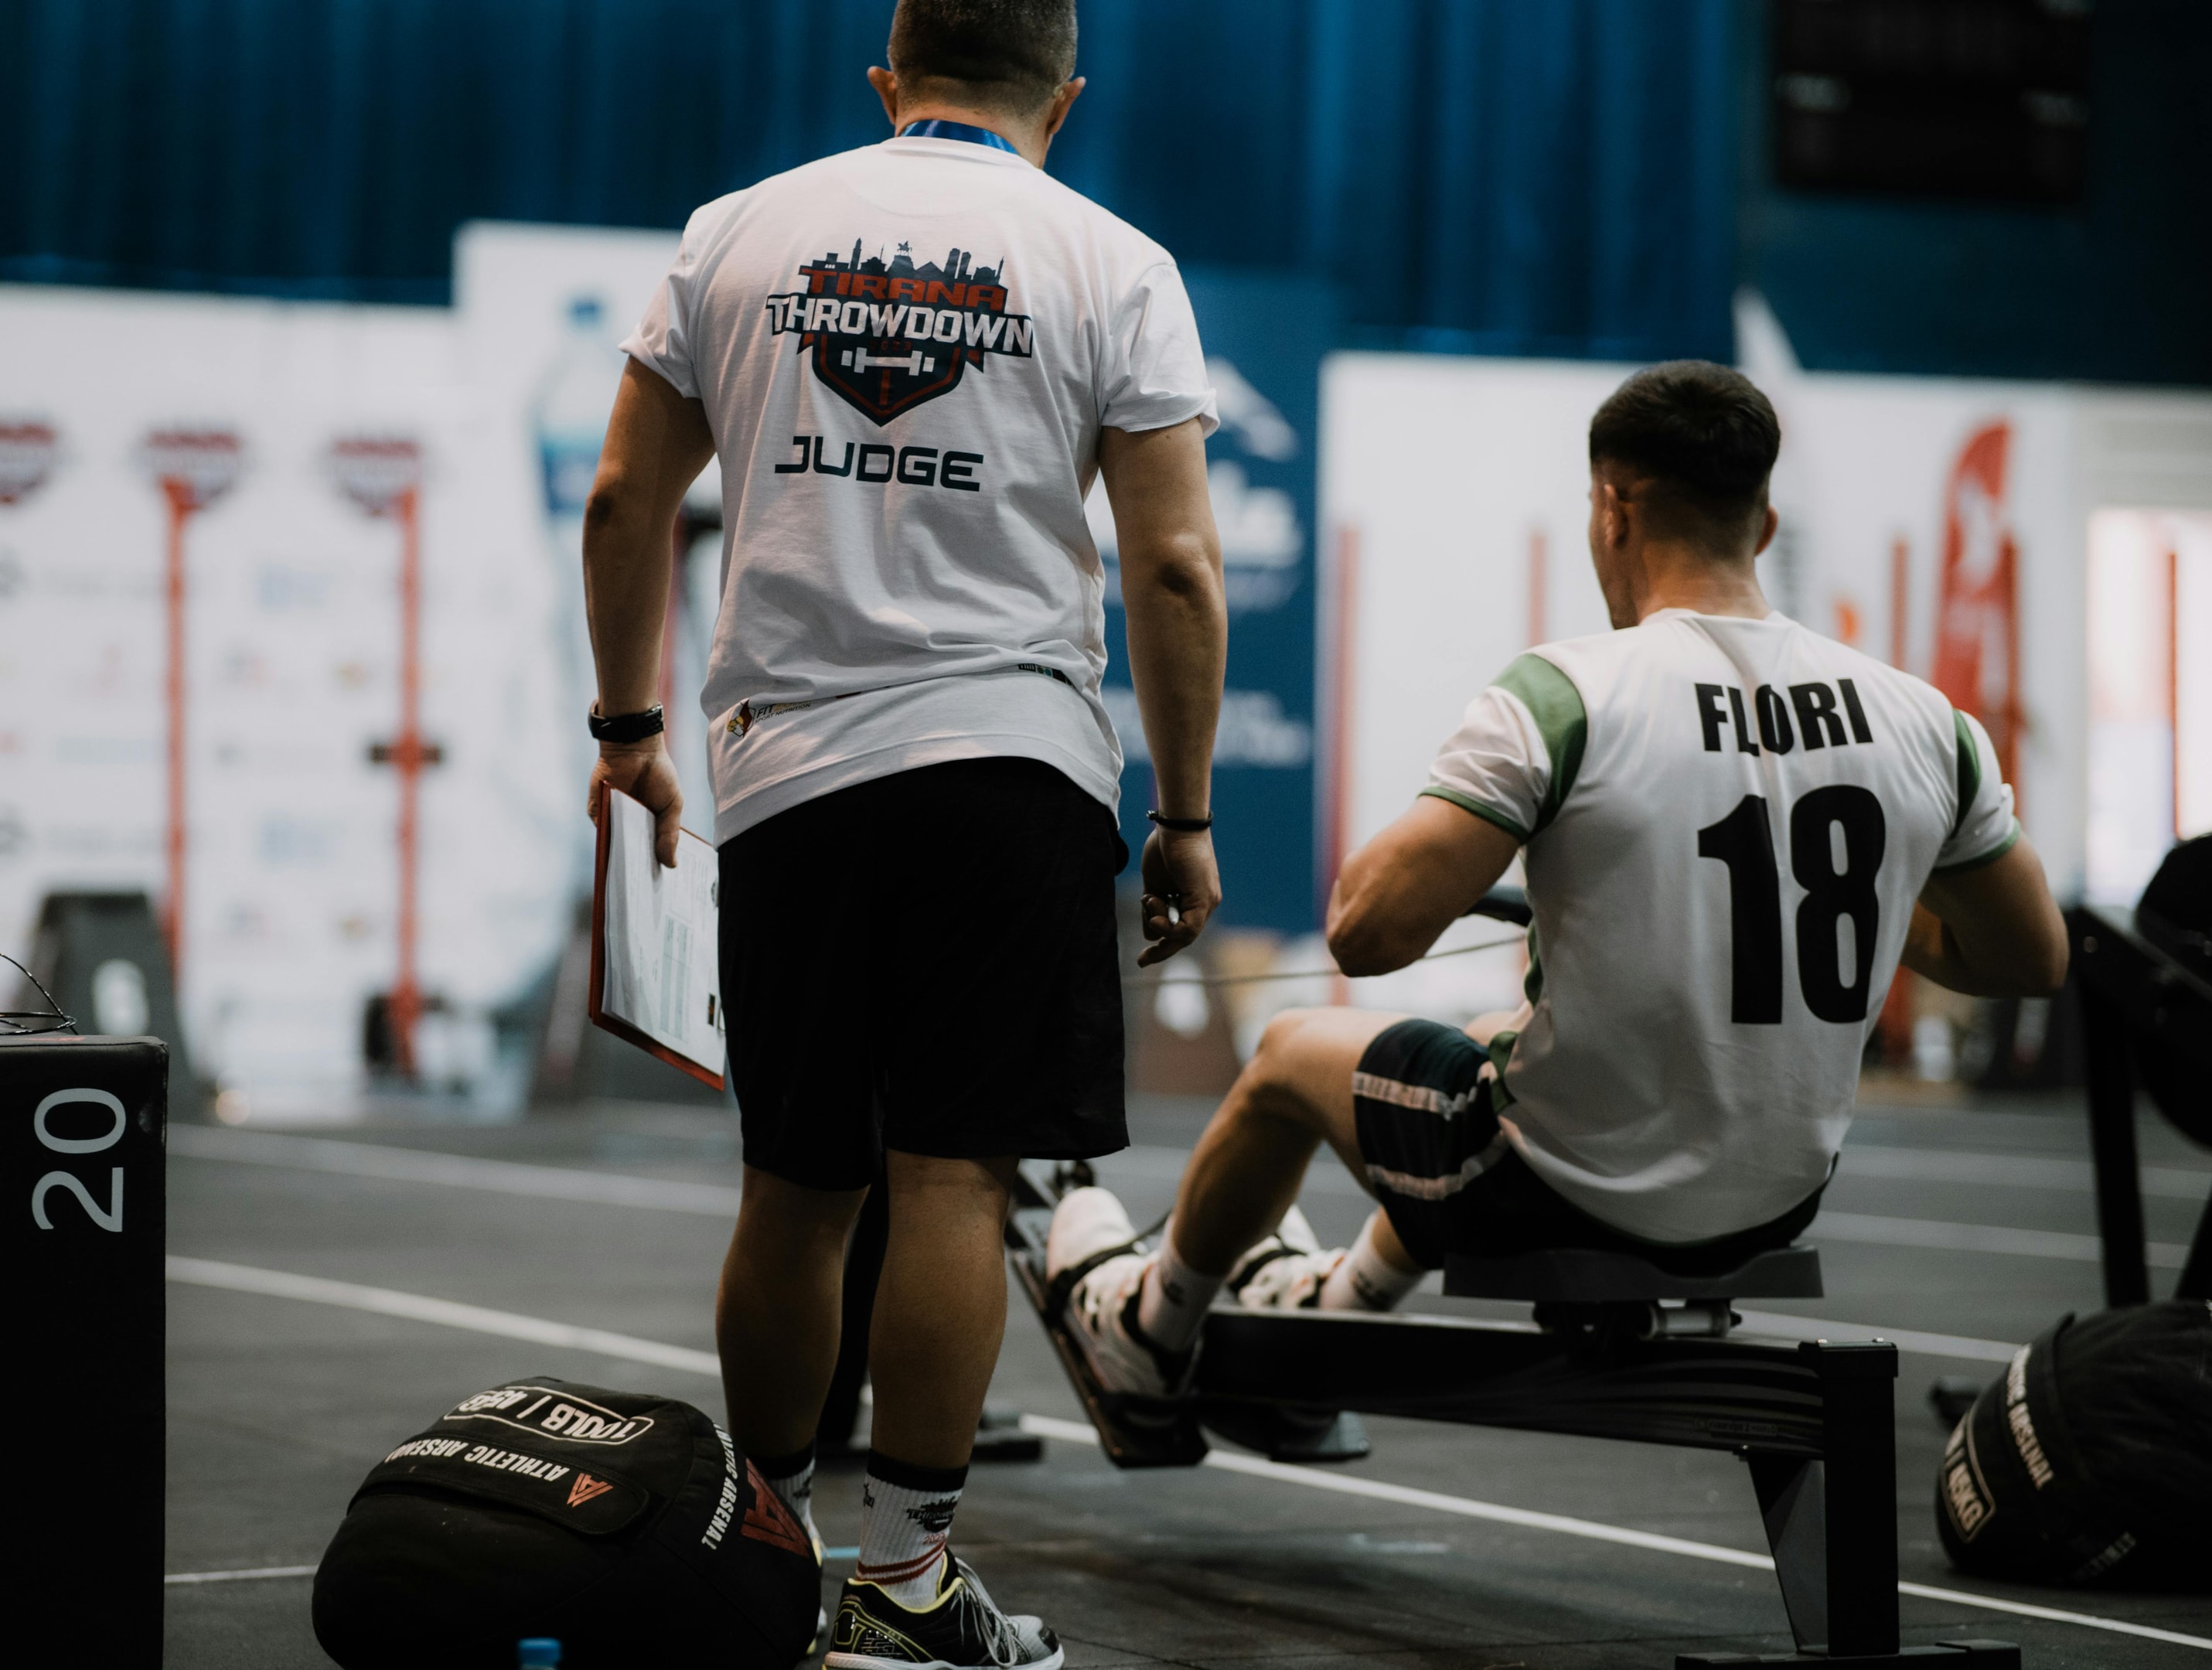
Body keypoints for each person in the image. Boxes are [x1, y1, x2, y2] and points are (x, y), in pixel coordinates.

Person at [578, 2, 1227, 1665]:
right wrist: (1189, 815)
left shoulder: (740, 230)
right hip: (1010, 768)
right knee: (953, 1178)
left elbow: (622, 500)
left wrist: (628, 731)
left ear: (889, 77)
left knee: (795, 1186)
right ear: (1063, 98)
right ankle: (908, 1590)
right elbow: (1171, 571)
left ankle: (766, 1567)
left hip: (786, 771)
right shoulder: (1114, 260)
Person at [1048, 360, 2071, 1396]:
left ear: (1611, 506)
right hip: (1778, 1201)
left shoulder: (1567, 696)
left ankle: (1149, 1331)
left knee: (1283, 1054)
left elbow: (1365, 930)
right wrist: (1857, 904)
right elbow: (2028, 956)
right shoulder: (1923, 720)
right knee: (1500, 1046)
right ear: (1760, 525)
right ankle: (1341, 1298)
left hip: (1561, 1195)